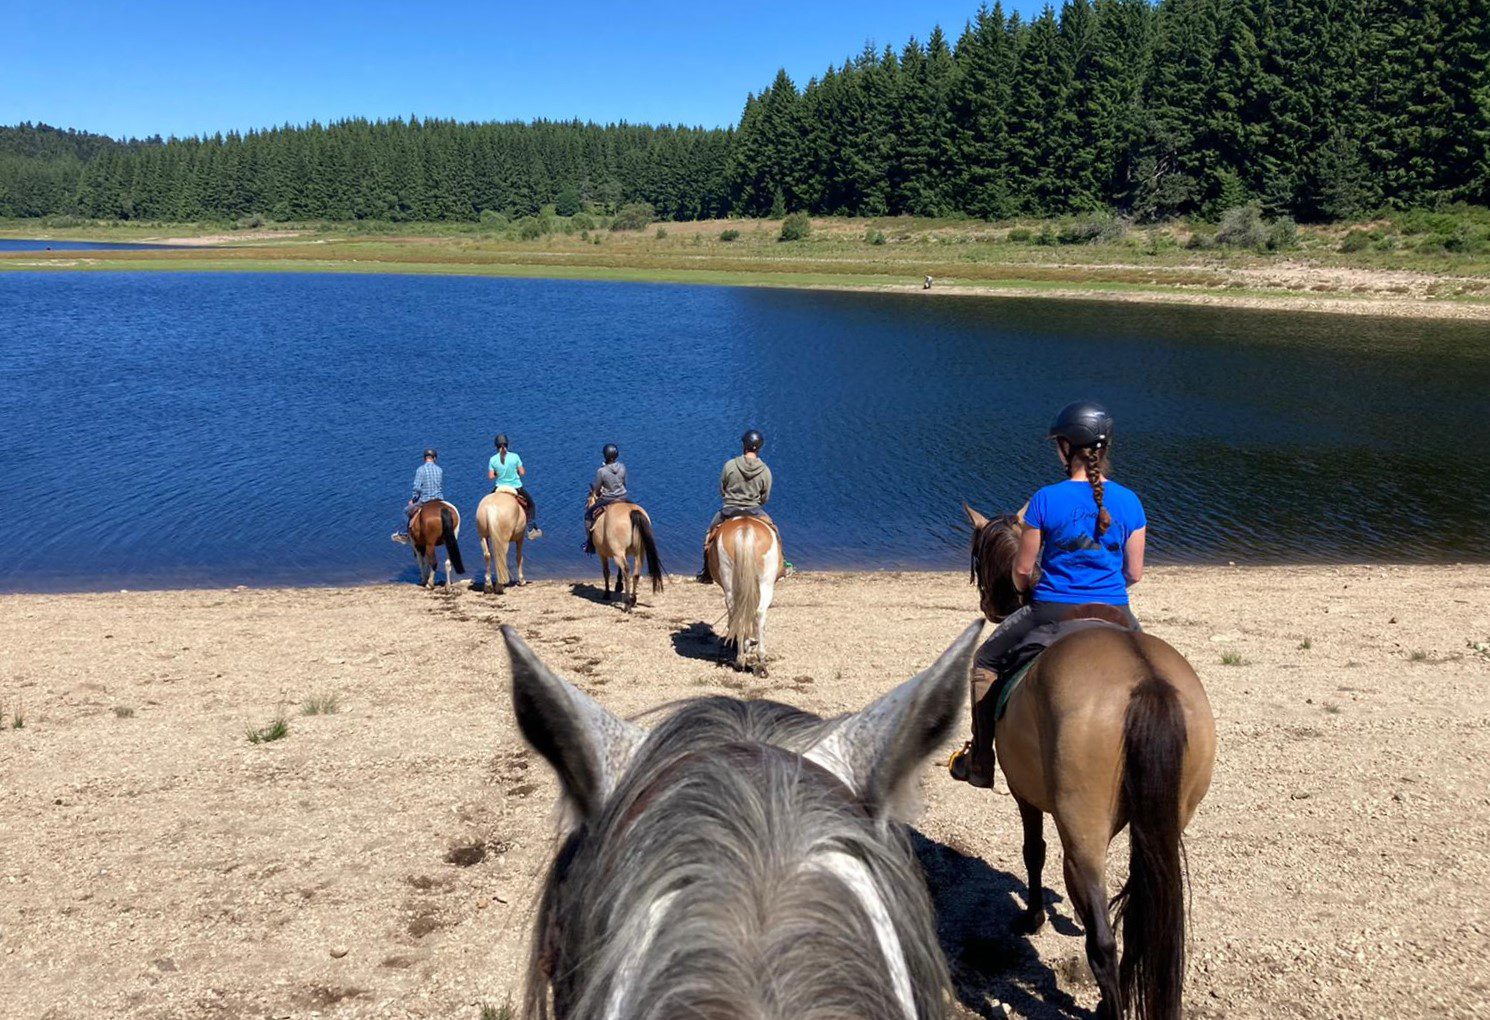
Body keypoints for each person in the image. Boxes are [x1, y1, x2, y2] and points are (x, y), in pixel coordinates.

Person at [953, 401, 1147, 788]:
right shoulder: (1130, 501)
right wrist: (1103, 588)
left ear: (1065, 448)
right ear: (1103, 450)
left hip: (1052, 610)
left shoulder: (1046, 499)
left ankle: (980, 759)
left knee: (986, 661)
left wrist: (1027, 588)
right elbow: (1135, 573)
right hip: (1116, 611)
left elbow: (1023, 571)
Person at [695, 429, 774, 583]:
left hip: (729, 509)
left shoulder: (730, 465)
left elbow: (722, 488)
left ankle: (706, 572)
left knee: (709, 535)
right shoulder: (765, 470)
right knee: (774, 532)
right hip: (754, 510)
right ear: (759, 448)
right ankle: (781, 563)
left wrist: (729, 498)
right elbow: (765, 496)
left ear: (744, 445)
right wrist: (756, 502)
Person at [489, 434, 541, 540]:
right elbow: (522, 472)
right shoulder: (515, 456)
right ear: (507, 444)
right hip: (516, 488)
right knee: (531, 505)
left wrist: (498, 473)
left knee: (488, 504)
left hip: (499, 488)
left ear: (496, 446)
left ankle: (487, 529)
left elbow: (490, 476)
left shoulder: (493, 459)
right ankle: (531, 529)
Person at [583, 444, 629, 554]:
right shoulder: (622, 467)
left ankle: (590, 544)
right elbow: (624, 483)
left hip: (608, 498)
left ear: (605, 455)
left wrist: (600, 493)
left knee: (588, 516)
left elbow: (597, 490)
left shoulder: (601, 471)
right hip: (623, 497)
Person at [391, 448, 443, 544]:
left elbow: (417, 488)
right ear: (435, 458)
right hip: (439, 499)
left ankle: (406, 534)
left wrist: (414, 499)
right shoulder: (439, 470)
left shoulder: (420, 470)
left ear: (424, 458)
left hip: (425, 500)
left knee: (405, 511)